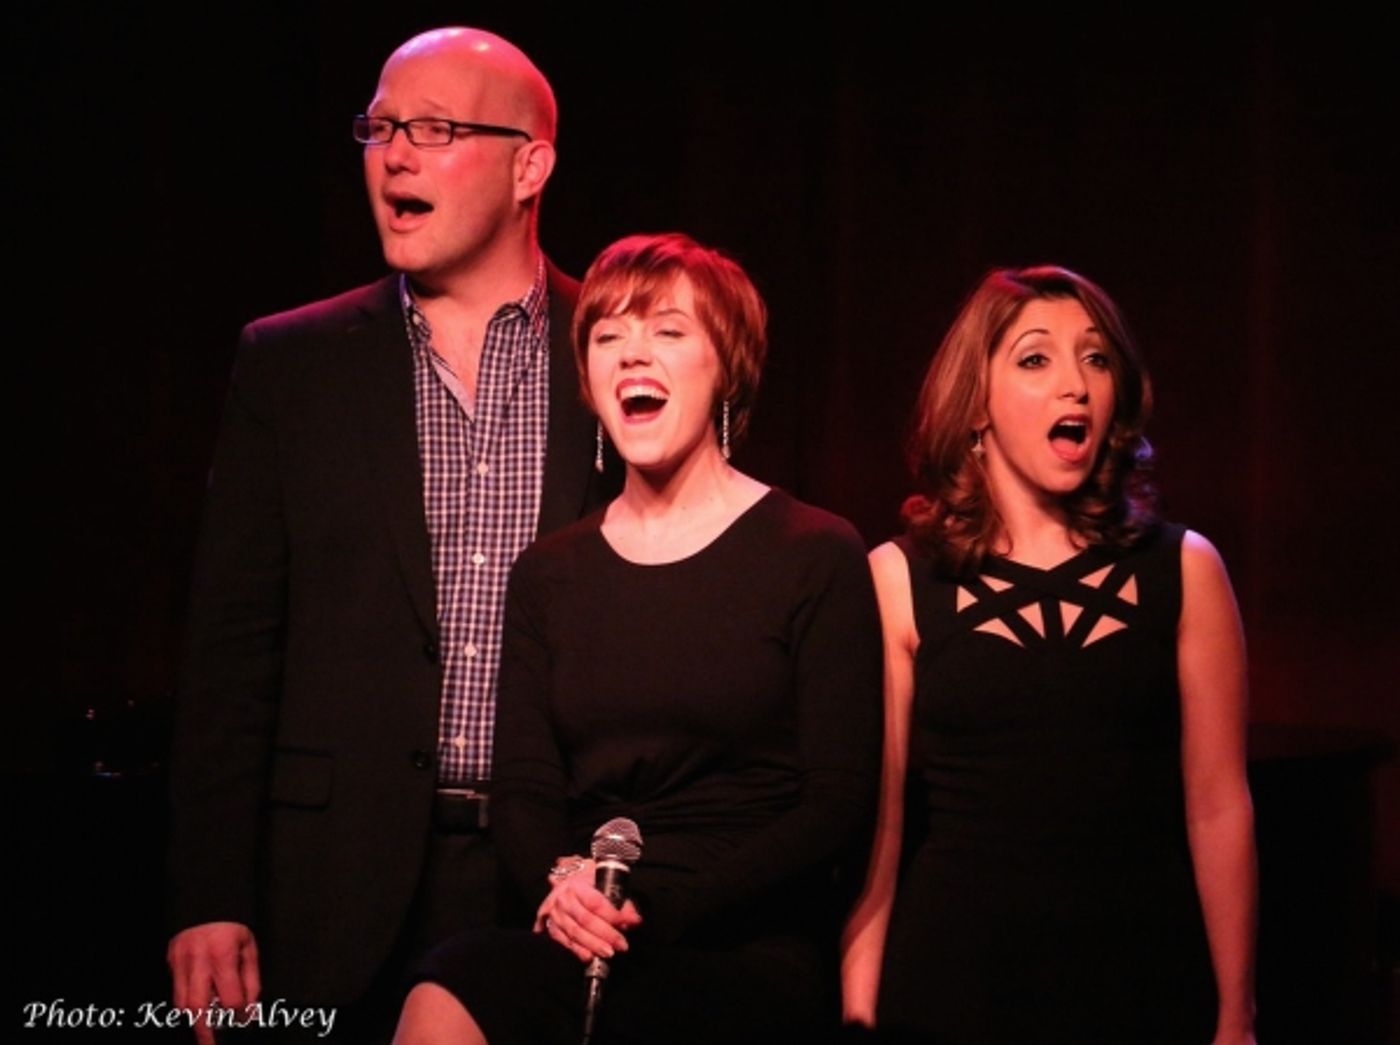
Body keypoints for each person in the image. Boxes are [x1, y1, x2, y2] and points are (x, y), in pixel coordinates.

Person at [165, 26, 614, 1041]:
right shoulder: (293, 364)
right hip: (323, 884)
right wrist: (207, 889)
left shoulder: (622, 356)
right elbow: (231, 645)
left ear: (528, 165)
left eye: (435, 129)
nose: (394, 154)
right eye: (379, 128)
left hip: (546, 887)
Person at [392, 233, 883, 1045]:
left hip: (740, 940)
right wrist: (565, 886)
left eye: (666, 331)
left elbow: (836, 802)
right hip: (586, 922)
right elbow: (524, 789)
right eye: (608, 336)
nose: (632, 356)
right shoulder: (550, 573)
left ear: (726, 365)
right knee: (450, 984)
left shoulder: (813, 550)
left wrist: (663, 904)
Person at [841, 266, 1258, 1044]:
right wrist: (858, 1014)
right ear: (975, 407)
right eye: (1036, 359)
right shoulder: (900, 578)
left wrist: (1237, 1013)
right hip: (955, 986)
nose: (1075, 385)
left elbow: (1219, 806)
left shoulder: (1186, 569)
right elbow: (881, 828)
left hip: (1142, 980)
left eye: (1095, 359)